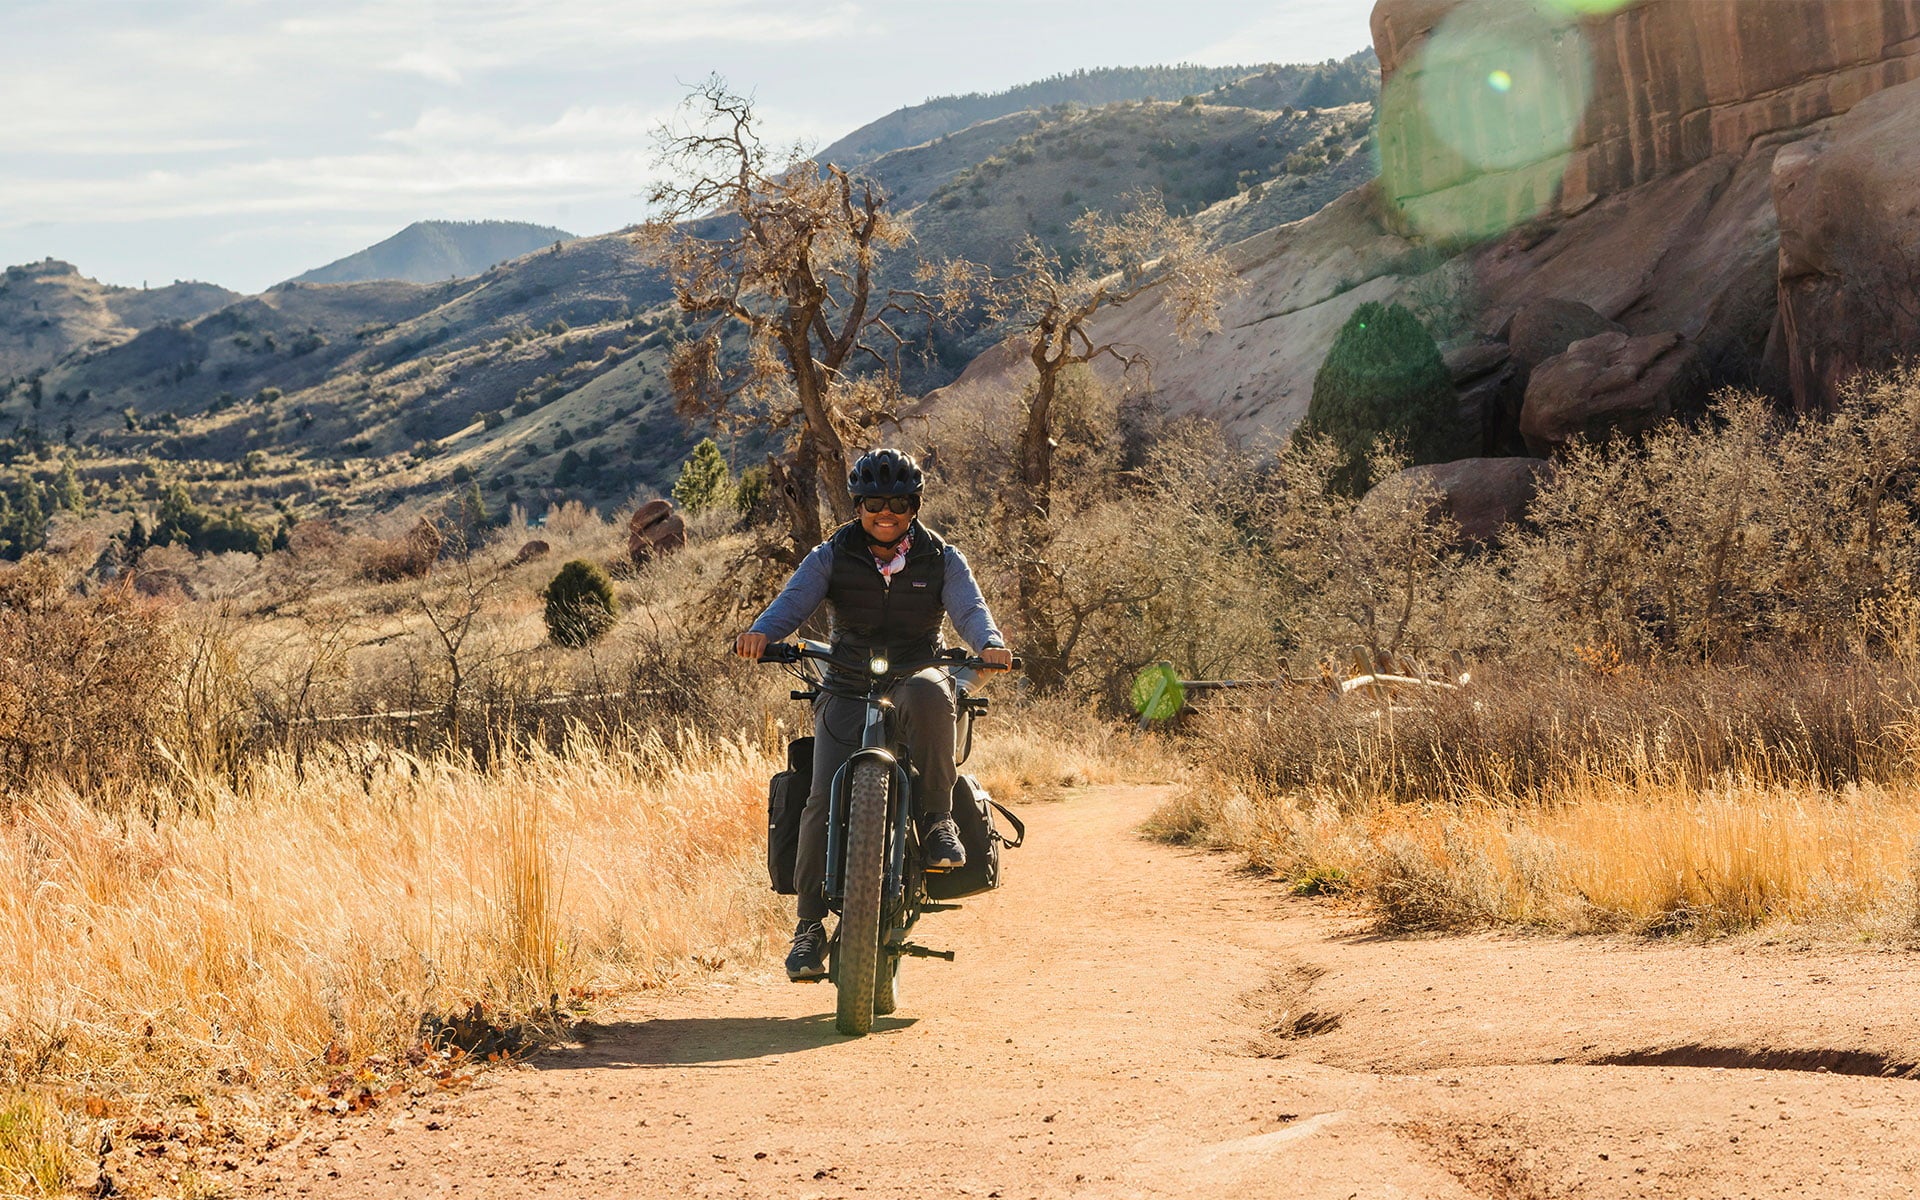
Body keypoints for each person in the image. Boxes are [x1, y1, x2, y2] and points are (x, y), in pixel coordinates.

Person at [735, 448, 1013, 981]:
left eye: (899, 503)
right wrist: (763, 634)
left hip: (914, 670)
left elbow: (970, 609)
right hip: (845, 679)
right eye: (873, 503)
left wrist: (990, 644)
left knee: (936, 695)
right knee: (820, 795)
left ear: (914, 505)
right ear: (859, 505)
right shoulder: (832, 554)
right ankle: (809, 927)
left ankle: (937, 820)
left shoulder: (941, 557)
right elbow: (793, 601)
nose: (886, 513)